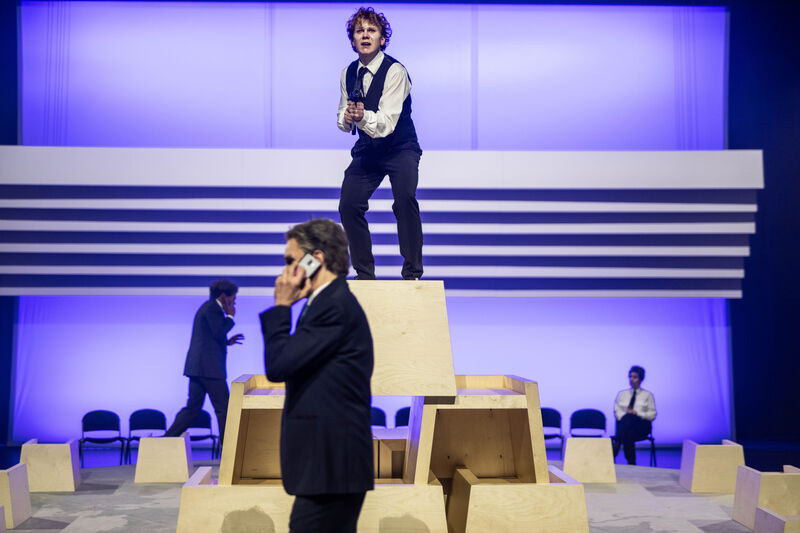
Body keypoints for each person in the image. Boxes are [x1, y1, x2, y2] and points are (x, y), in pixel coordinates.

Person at [260, 219, 374, 533]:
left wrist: (281, 306)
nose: (285, 271)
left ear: (316, 259)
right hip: (329, 467)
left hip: (331, 467)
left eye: (290, 261)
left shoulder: (332, 306)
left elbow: (279, 365)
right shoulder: (323, 303)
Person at [337, 6, 423, 281]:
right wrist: (347, 118)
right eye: (359, 31)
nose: (365, 35)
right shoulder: (348, 72)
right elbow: (343, 115)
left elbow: (386, 123)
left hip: (400, 148)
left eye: (371, 30)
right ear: (353, 40)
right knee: (349, 205)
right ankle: (365, 275)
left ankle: (412, 274)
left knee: (405, 199)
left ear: (382, 39)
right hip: (368, 150)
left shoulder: (395, 71)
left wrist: (361, 117)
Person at [165, 279, 244, 445]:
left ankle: (165, 441)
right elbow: (218, 331)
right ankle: (229, 448)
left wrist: (226, 342)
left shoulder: (208, 308)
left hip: (199, 368)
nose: (234, 302)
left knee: (192, 409)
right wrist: (230, 316)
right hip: (209, 369)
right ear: (224, 296)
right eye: (233, 298)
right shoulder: (213, 309)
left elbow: (210, 336)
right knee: (225, 409)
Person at [613, 365, 657, 465]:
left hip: (641, 427)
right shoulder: (622, 394)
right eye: (630, 376)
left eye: (635, 377)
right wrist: (627, 415)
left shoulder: (648, 395)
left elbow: (652, 415)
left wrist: (637, 413)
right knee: (628, 431)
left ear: (641, 379)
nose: (631, 379)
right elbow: (617, 412)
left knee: (630, 418)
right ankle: (631, 463)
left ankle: (617, 445)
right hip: (627, 428)